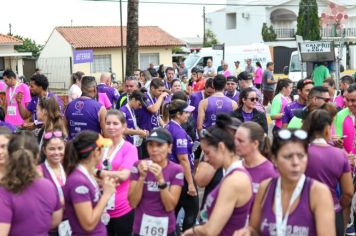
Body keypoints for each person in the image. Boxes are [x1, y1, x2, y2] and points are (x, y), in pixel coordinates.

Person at [235, 129, 335, 236]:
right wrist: (247, 232)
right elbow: (255, 230)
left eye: (301, 156)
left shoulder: (318, 192)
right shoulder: (266, 187)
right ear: (274, 159)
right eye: (288, 157)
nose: (295, 162)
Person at [183, 115, 253, 236]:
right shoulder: (231, 174)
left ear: (221, 147)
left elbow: (210, 230)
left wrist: (192, 231)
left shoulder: (234, 181)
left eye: (207, 153)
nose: (206, 159)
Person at [0, 131, 63, 235]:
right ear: (37, 156)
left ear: (10, 156)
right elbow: (56, 220)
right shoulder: (48, 186)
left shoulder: (5, 191)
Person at [303, 109, 353, 235]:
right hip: (332, 212)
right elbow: (348, 192)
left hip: (304, 212)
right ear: (327, 130)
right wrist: (339, 206)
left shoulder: (300, 153)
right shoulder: (340, 155)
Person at [128, 128, 184, 236]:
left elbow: (169, 206)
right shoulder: (138, 166)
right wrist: (141, 177)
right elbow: (133, 203)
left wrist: (161, 180)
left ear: (169, 147)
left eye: (159, 145)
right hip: (141, 228)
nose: (154, 149)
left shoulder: (176, 170)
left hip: (166, 228)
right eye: (150, 145)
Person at [63, 131, 116, 235]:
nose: (104, 151)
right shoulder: (78, 182)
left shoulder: (86, 174)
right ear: (96, 152)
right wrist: (106, 195)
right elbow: (88, 224)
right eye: (103, 148)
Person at [98, 110, 138, 235]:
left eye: (115, 123)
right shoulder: (99, 146)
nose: (111, 127)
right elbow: (87, 172)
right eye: (108, 123)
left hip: (122, 208)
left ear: (124, 126)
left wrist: (98, 173)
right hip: (99, 206)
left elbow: (124, 175)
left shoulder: (129, 148)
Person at [165, 100, 198, 232]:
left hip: (173, 176)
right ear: (178, 114)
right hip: (183, 177)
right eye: (186, 113)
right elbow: (183, 159)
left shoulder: (169, 127)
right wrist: (190, 183)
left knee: (174, 209)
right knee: (192, 210)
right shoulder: (178, 132)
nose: (188, 115)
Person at [234, 122, 277, 199]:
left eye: (240, 141)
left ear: (255, 144)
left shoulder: (270, 172)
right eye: (235, 139)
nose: (235, 144)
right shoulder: (235, 166)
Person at [37, 130, 67, 236]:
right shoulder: (38, 172)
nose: (56, 152)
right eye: (51, 149)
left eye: (60, 148)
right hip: (50, 226)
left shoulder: (68, 168)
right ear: (44, 150)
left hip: (69, 223)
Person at [137, 78, 169, 158]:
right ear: (152, 88)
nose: (161, 93)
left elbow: (157, 115)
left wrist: (164, 126)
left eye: (162, 91)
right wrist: (161, 97)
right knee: (146, 160)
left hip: (154, 134)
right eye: (159, 91)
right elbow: (153, 109)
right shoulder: (144, 97)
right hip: (145, 134)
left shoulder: (155, 98)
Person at [334, 83, 356, 155]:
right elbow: (338, 141)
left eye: (353, 100)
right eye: (347, 100)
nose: (349, 104)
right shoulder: (340, 115)